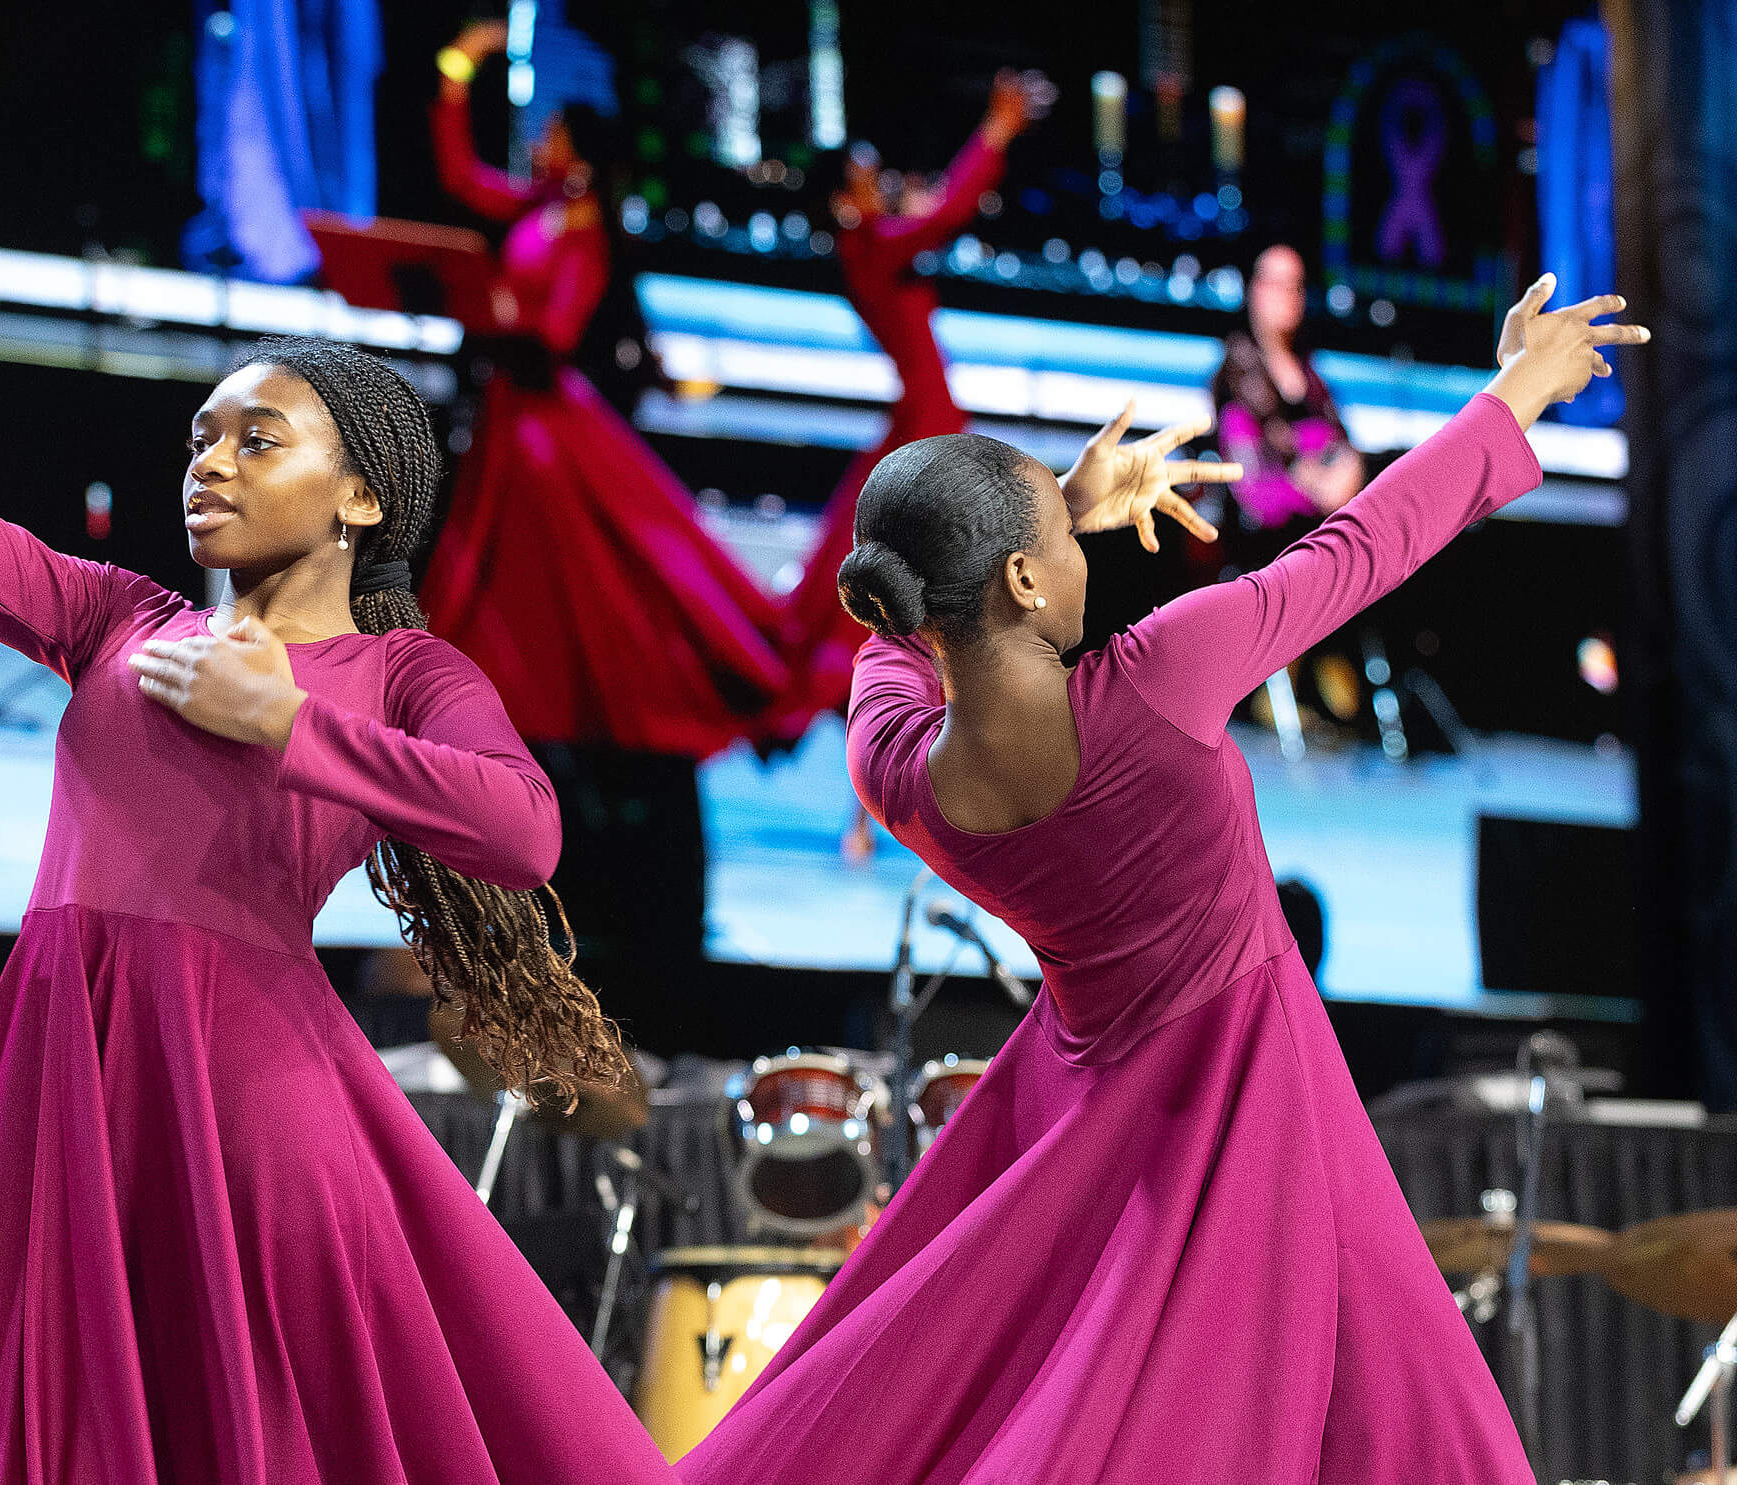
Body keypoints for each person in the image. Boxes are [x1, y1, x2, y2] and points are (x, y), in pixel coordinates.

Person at [0, 50, 675, 1483]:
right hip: (64, 1058)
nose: (213, 461)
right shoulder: (123, 619)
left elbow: (525, 832)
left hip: (249, 1084)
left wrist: (292, 728)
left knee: (245, 1425)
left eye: (261, 437)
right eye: (202, 436)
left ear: (361, 493)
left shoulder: (404, 673)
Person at [681, 276, 1643, 1482]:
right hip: (1250, 1084)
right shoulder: (1157, 679)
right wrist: (1518, 393)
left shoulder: (898, 772)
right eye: (1055, 538)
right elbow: (1361, 548)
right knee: (1393, 1415)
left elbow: (902, 638)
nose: (1079, 546)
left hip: (1086, 1107)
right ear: (1025, 582)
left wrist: (1044, 516)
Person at [421, 20, 790, 761]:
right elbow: (461, 178)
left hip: (542, 423)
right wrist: (456, 73)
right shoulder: (542, 207)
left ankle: (528, 700)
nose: (538, 143)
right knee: (520, 564)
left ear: (579, 149)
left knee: (571, 572)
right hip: (510, 411)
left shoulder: (582, 229)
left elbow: (556, 331)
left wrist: (495, 310)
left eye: (551, 133)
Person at [772, 73, 1044, 858]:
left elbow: (935, 217)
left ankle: (887, 805)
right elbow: (953, 211)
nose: (879, 179)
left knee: (922, 618)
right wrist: (994, 129)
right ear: (841, 202)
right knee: (913, 620)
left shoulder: (875, 242)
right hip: (925, 443)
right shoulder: (871, 246)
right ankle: (884, 802)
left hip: (927, 433)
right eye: (863, 176)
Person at [1210, 244, 1365, 548]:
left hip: (1321, 551)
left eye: (1297, 285)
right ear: (1255, 289)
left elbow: (1346, 456)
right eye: (1278, 284)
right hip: (1260, 560)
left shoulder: (1314, 380)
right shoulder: (1236, 378)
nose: (1290, 295)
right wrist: (1316, 484)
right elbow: (1258, 497)